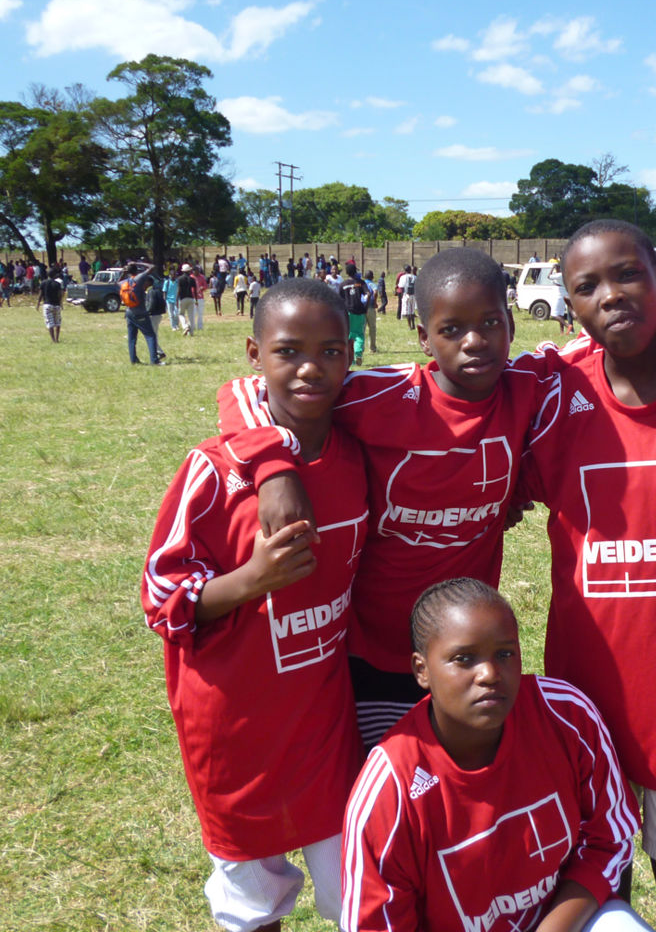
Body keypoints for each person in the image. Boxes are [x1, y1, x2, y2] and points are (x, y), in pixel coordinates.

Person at [216, 249, 656, 747]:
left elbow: (616, 334)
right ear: (423, 338)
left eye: (490, 323)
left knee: (462, 788)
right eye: (452, 329)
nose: (475, 342)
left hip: (468, 655)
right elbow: (250, 391)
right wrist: (274, 469)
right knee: (389, 784)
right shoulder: (379, 396)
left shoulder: (530, 382)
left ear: (511, 323)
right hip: (373, 649)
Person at [516, 220, 656, 932]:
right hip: (585, 696)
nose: (610, 295)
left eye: (628, 276)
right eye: (587, 286)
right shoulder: (552, 391)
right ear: (570, 303)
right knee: (591, 881)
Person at [142, 279, 367, 932]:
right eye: (288, 351)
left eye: (329, 351)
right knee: (251, 901)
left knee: (361, 892)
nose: (309, 368)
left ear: (349, 354)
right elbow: (161, 600)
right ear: (253, 353)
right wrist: (251, 580)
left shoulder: (357, 454)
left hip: (324, 724)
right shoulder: (213, 473)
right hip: (235, 733)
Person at [341, 578, 651, 932]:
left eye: (504, 654)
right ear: (421, 670)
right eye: (464, 659)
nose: (489, 674)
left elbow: (607, 840)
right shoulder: (390, 788)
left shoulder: (566, 715)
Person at [121, 261, 163, 365]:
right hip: (140, 312)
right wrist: (138, 262)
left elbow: (115, 283)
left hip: (129, 312)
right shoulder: (138, 279)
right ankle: (154, 360)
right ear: (136, 270)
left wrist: (124, 272)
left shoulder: (124, 282)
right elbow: (153, 266)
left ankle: (133, 360)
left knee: (132, 338)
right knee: (150, 336)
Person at [340, 263, 370, 366]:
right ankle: (358, 354)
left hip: (347, 312)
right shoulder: (360, 283)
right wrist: (365, 307)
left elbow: (339, 299)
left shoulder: (343, 285)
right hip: (359, 312)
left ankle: (350, 358)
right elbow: (368, 294)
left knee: (349, 334)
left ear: (347, 272)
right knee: (359, 334)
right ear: (355, 272)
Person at [36, 265, 65, 342]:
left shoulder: (43, 283)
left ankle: (53, 340)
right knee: (58, 322)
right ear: (55, 275)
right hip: (56, 305)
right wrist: (61, 304)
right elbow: (60, 295)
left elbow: (40, 295)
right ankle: (57, 338)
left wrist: (38, 304)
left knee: (50, 322)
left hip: (47, 305)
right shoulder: (57, 284)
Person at [177, 264, 197, 335]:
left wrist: (177, 299)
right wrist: (196, 300)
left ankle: (185, 326)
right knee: (191, 315)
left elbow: (179, 290)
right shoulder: (192, 279)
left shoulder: (180, 279)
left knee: (181, 314)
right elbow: (195, 290)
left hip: (183, 298)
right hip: (191, 298)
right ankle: (191, 332)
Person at [363, 270, 379, 352]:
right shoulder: (372, 284)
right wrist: (375, 302)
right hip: (370, 307)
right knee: (372, 328)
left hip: (362, 307)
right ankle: (372, 348)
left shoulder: (362, 283)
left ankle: (361, 348)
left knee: (362, 328)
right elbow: (375, 292)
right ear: (372, 277)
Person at [400, 265, 417, 330]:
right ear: (410, 270)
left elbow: (401, 286)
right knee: (412, 310)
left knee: (407, 311)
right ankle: (413, 324)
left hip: (406, 294)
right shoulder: (414, 277)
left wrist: (402, 296)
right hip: (413, 295)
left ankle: (409, 326)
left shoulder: (403, 277)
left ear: (405, 270)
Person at [164, 266, 180, 331]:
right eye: (171, 275)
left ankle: (176, 325)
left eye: (174, 275)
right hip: (169, 300)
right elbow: (164, 291)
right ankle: (173, 326)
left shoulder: (177, 282)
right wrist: (165, 299)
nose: (173, 276)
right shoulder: (167, 282)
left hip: (176, 299)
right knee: (171, 314)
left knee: (176, 313)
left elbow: (179, 290)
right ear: (169, 275)